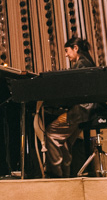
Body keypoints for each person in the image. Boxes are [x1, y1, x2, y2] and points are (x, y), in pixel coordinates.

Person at [37, 36, 98, 178]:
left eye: (67, 50)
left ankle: (56, 173)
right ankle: (65, 173)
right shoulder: (87, 62)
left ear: (75, 48)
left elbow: (71, 90)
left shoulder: (81, 64)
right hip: (86, 112)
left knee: (51, 132)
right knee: (63, 139)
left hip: (81, 111)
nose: (65, 54)